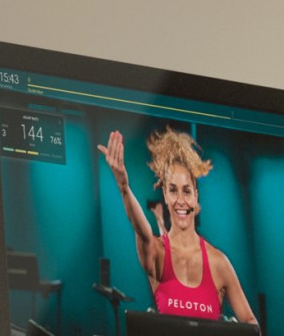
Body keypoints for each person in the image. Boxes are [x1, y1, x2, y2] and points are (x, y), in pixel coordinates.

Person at [102, 126, 259, 325]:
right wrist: (124, 188)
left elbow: (251, 323)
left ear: (195, 196)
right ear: (165, 196)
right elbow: (143, 232)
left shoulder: (219, 263)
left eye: (186, 191)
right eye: (173, 190)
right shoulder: (157, 253)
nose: (180, 200)